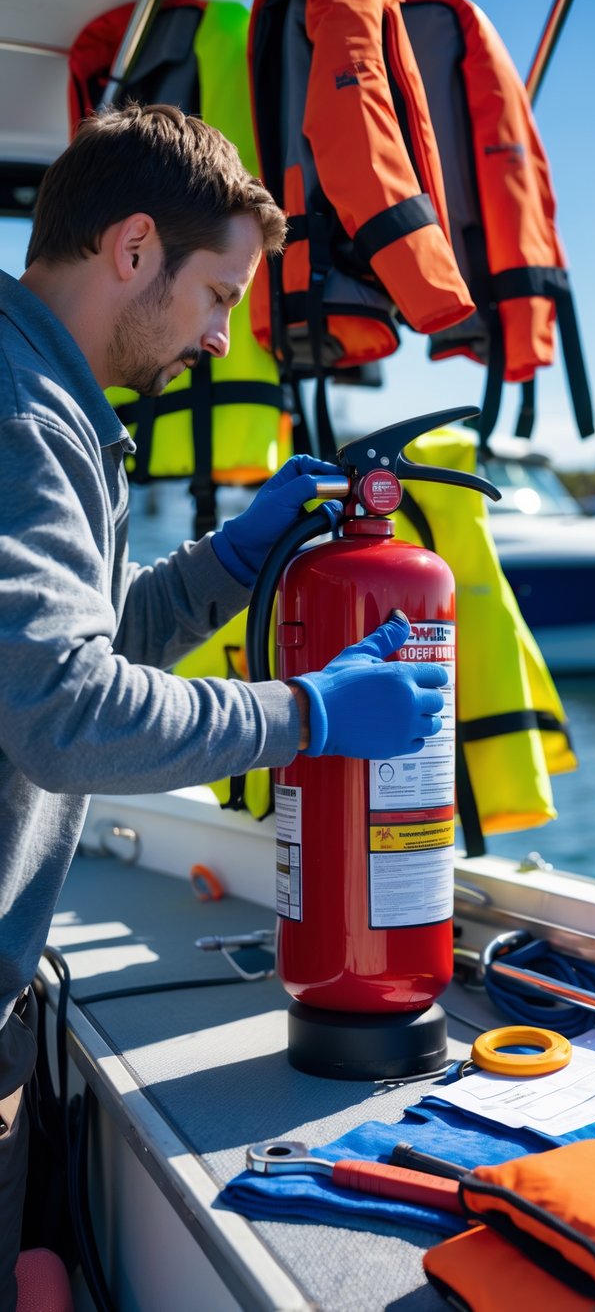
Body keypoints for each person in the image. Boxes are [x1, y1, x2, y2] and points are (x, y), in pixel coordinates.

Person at [0, 102, 447, 1310]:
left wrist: (235, 560)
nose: (219, 337)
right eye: (217, 297)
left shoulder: (46, 396)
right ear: (134, 247)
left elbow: (82, 645)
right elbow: (65, 711)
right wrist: (309, 714)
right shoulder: (19, 415)